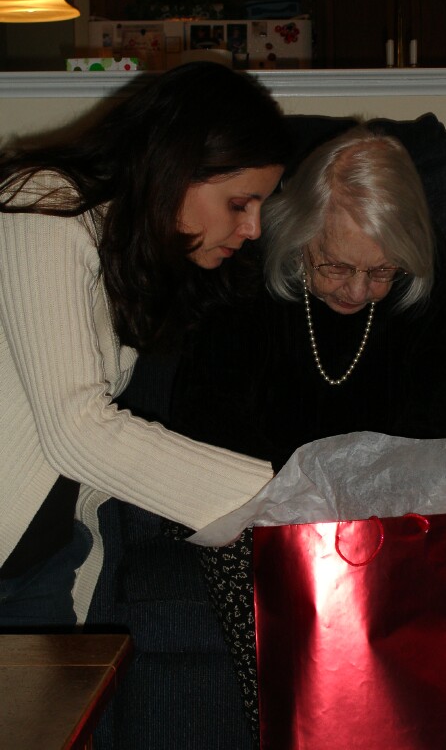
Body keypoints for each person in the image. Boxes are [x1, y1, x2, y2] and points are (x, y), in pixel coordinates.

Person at [164, 124, 446, 742]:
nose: (358, 290)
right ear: (300, 236)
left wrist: (379, 500)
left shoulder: (425, 284)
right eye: (336, 266)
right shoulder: (243, 272)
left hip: (381, 494)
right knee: (293, 586)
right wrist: (309, 499)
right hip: (258, 495)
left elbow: (431, 421)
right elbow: (206, 420)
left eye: (380, 271)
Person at [0, 61, 291, 628]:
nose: (254, 228)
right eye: (239, 203)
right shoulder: (42, 205)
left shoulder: (123, 245)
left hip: (43, 564)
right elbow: (78, 429)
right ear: (176, 170)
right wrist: (285, 495)